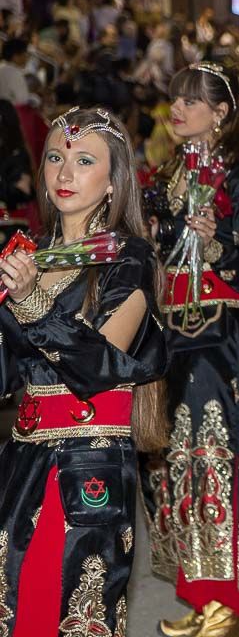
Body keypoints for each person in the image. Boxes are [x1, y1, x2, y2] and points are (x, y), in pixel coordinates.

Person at [0, 107, 167, 636]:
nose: (64, 174)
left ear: (114, 180)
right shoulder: (29, 256)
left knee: (63, 607)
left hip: (87, 463)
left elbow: (99, 364)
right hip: (21, 459)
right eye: (54, 157)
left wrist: (28, 304)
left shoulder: (128, 260)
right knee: (14, 603)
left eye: (84, 160)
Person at [142, 61, 239, 636]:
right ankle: (200, 599)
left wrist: (216, 243)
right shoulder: (166, 176)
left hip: (217, 343)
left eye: (190, 102)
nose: (177, 110)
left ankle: (227, 610)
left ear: (220, 114)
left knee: (217, 468)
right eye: (174, 100)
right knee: (175, 471)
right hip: (170, 343)